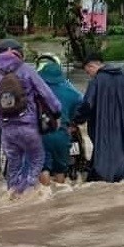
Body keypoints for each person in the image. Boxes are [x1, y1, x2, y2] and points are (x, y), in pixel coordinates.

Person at [0, 39, 62, 198]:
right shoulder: (26, 70)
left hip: (7, 131)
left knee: (13, 165)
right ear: (19, 54)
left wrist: (3, 123)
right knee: (37, 158)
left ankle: (12, 194)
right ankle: (26, 191)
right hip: (29, 127)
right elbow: (46, 94)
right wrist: (57, 112)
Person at [72, 52, 124, 182]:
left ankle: (105, 178)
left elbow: (88, 105)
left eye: (88, 72)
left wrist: (76, 120)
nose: (89, 75)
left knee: (105, 155)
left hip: (104, 126)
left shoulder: (96, 81)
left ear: (91, 66)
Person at [37, 57, 83, 186]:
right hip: (62, 133)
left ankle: (45, 197)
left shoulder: (36, 92)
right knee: (60, 169)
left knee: (43, 167)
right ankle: (60, 193)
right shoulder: (72, 93)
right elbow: (80, 108)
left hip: (42, 133)